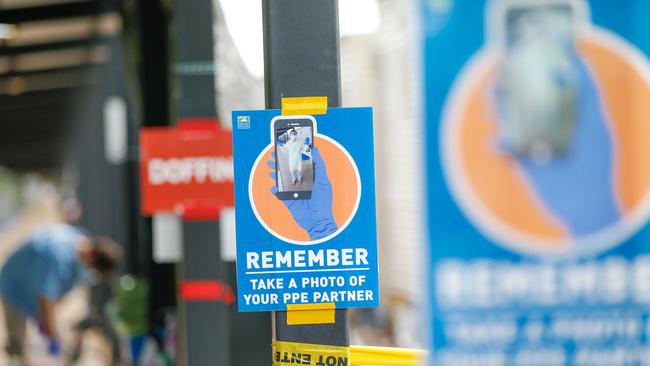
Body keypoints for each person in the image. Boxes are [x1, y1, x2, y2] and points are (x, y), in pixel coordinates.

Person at [0, 224, 122, 365]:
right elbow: (45, 299)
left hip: (32, 281)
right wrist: (52, 335)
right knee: (17, 343)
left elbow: (56, 292)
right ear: (92, 255)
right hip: (14, 286)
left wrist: (45, 320)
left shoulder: (80, 242)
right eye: (92, 269)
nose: (90, 273)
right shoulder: (57, 257)